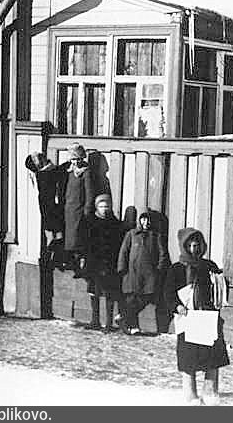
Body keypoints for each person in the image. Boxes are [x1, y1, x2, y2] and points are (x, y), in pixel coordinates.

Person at [164, 227, 230, 405]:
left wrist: (221, 281)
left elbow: (220, 288)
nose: (194, 249)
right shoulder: (176, 269)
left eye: (197, 245)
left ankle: (210, 390)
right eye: (190, 245)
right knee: (188, 357)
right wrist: (177, 307)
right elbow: (168, 293)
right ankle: (190, 394)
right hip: (188, 318)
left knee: (213, 354)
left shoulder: (209, 266)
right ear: (184, 247)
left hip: (207, 317)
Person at [117, 209, 170, 335]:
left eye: (148, 220)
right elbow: (124, 251)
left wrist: (159, 269)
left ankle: (124, 316)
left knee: (146, 297)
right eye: (144, 219)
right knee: (132, 299)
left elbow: (163, 254)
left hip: (149, 275)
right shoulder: (132, 234)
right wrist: (122, 268)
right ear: (140, 220)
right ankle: (133, 326)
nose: (146, 222)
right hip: (132, 273)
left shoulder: (155, 236)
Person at [83, 193, 124, 331]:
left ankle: (108, 323)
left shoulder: (115, 223)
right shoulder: (90, 222)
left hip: (109, 264)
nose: (104, 209)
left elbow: (118, 245)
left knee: (109, 293)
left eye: (107, 206)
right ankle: (95, 320)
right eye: (101, 206)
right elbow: (86, 243)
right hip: (94, 263)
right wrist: (84, 258)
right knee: (94, 291)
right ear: (96, 207)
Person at [62, 142, 99, 271]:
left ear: (82, 159)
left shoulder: (86, 172)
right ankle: (71, 261)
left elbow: (90, 193)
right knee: (69, 239)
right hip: (69, 211)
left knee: (79, 239)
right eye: (73, 159)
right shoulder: (69, 172)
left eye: (77, 159)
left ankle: (81, 262)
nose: (75, 162)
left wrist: (87, 210)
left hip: (79, 211)